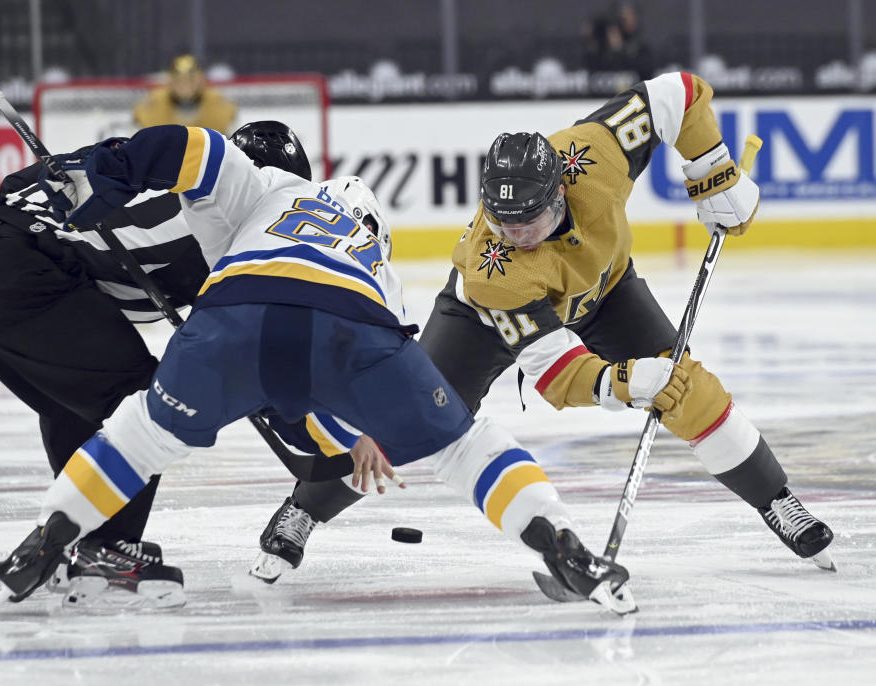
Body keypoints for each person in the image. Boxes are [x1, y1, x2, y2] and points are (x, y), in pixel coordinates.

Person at [0, 121, 694, 616]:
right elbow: (364, 354)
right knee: (463, 446)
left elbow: (191, 148)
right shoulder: (375, 255)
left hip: (236, 311)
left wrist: (108, 172)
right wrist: (355, 432)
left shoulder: (264, 192)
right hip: (354, 324)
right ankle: (561, 545)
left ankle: (45, 541)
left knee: (140, 434)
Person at [253, 70, 836, 582]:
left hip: (607, 289)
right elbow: (558, 376)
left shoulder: (595, 153)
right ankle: (304, 508)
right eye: (501, 220)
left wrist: (715, 176)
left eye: (527, 219)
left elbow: (680, 93)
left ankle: (778, 501)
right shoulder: (493, 270)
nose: (514, 233)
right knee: (402, 420)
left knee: (692, 389)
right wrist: (628, 383)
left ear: (560, 189)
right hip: (479, 320)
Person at [0, 121, 318, 609]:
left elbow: (15, 188)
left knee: (73, 405)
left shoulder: (148, 164)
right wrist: (302, 427)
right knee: (140, 402)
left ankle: (80, 535)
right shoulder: (223, 226)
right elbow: (235, 345)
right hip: (16, 274)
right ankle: (106, 546)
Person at [133, 54, 238, 135]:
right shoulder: (153, 103)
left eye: (191, 80)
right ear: (171, 82)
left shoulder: (217, 102)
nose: (185, 86)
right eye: (179, 81)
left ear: (200, 80)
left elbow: (231, 141)